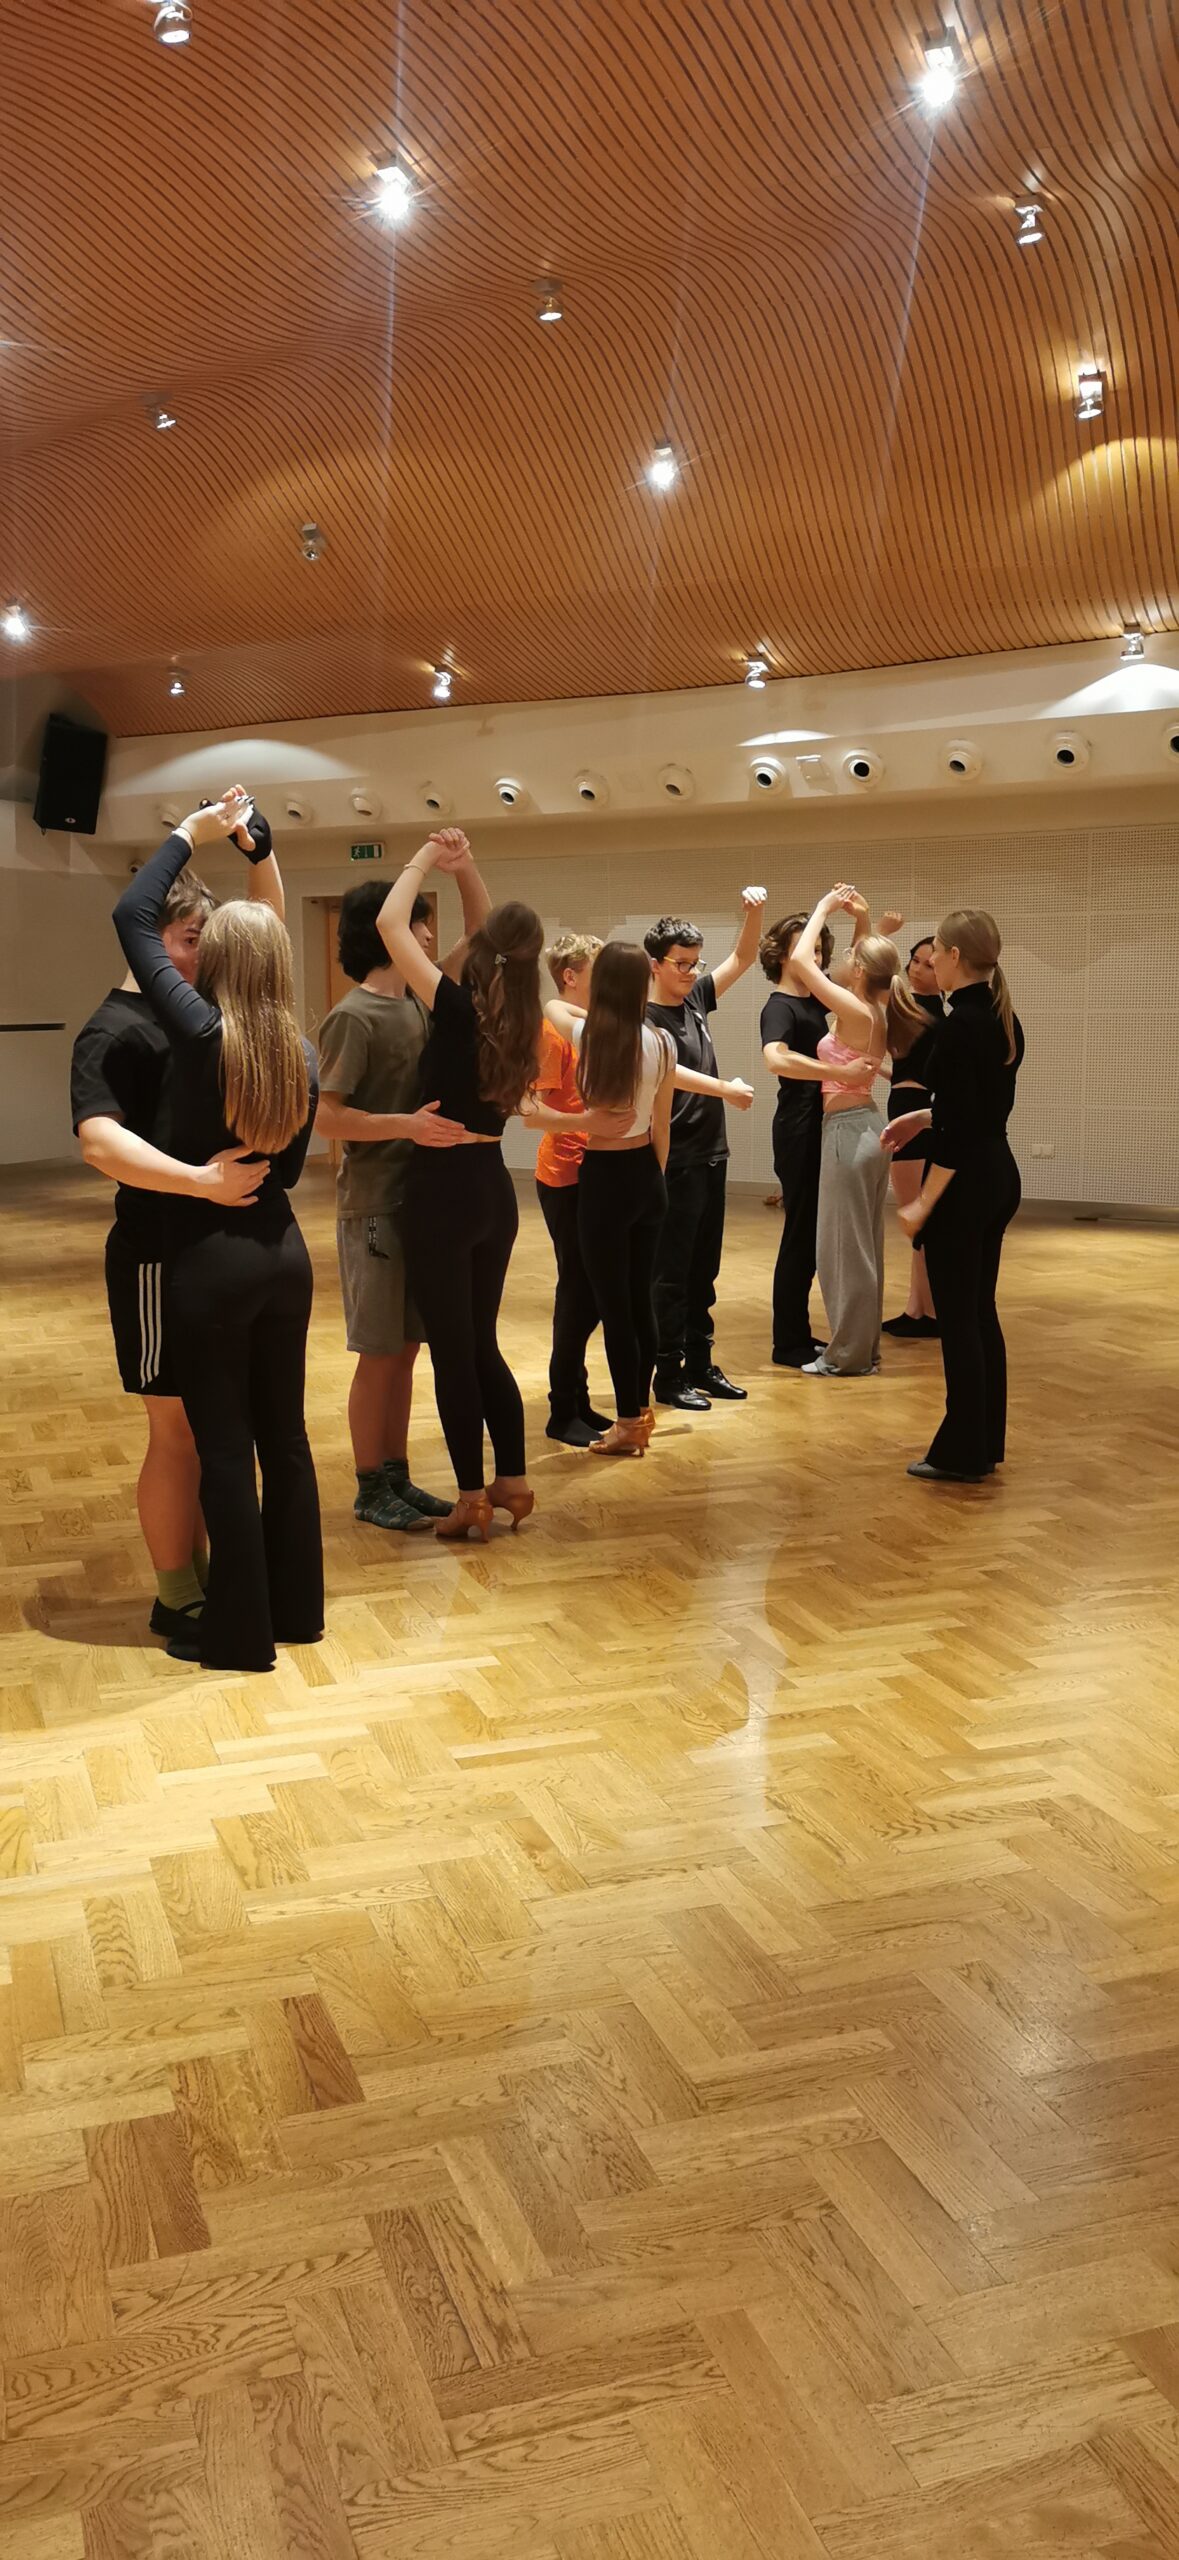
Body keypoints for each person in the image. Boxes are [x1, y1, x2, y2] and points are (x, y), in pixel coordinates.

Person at [113, 787, 322, 1671]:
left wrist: (189, 834)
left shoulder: (200, 1032)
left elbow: (131, 915)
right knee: (289, 1441)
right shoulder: (299, 1050)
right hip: (285, 1256)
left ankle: (239, 1634)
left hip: (211, 1262)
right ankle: (298, 1613)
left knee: (228, 1450)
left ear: (220, 964)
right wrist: (258, 849)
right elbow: (294, 1171)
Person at [71, 840, 285, 1646]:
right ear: (153, 939)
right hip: (154, 1257)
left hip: (213, 1258)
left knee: (211, 1425)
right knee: (177, 1431)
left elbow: (267, 925)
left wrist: (260, 849)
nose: (205, 955)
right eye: (193, 940)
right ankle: (175, 1594)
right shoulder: (112, 1031)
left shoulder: (197, 1019)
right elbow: (99, 1142)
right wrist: (199, 1181)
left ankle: (202, 1582)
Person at [377, 830, 541, 1542]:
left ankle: (471, 1496)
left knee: (453, 1351)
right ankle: (514, 1482)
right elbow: (484, 934)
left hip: (442, 1191)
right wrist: (467, 868)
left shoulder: (453, 1007)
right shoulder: (524, 1019)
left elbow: (390, 924)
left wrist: (423, 859)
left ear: (483, 954)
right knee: (483, 1345)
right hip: (493, 1190)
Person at [316, 874, 487, 1530]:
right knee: (380, 1352)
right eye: (418, 921)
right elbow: (326, 1118)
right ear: (384, 931)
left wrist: (462, 867)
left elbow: (479, 934)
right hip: (373, 1206)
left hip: (420, 1204)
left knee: (409, 1347)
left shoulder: (421, 1000)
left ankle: (396, 1474)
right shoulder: (351, 1016)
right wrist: (406, 1126)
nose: (428, 933)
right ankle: (369, 1485)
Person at [882, 910, 1023, 1482]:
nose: (932, 960)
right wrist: (920, 1116)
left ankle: (961, 1453)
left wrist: (923, 1202)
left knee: (960, 1320)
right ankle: (982, 1443)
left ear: (957, 956)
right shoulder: (999, 1016)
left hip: (966, 1183)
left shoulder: (960, 1025)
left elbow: (961, 1132)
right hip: (998, 1174)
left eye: (936, 951)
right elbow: (979, 1106)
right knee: (978, 1313)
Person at [547, 942, 676, 1457]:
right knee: (641, 1302)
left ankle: (626, 1423)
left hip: (604, 1178)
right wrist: (654, 1178)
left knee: (614, 1308)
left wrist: (601, 1008)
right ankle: (640, 1412)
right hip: (648, 1173)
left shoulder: (592, 1035)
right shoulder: (662, 1040)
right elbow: (662, 1124)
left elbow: (552, 1006)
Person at [790, 886, 922, 1377]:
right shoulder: (872, 1010)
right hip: (864, 1127)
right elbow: (854, 967)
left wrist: (822, 909)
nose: (842, 959)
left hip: (849, 1132)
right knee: (861, 1249)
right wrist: (864, 923)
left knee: (843, 1252)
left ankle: (846, 1357)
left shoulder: (856, 1011)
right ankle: (862, 1350)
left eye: (849, 956)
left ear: (862, 971)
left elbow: (800, 961)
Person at [645, 890, 767, 1410]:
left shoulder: (694, 997)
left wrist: (754, 914)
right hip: (675, 1159)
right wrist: (725, 1089)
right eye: (682, 964)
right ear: (655, 964)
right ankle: (667, 1373)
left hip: (711, 1154)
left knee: (703, 1271)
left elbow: (743, 957)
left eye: (696, 963)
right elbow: (668, 1070)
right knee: (671, 1274)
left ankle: (700, 1363)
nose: (691, 972)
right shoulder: (643, 1018)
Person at [532, 934, 612, 1448]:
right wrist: (587, 1122)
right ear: (571, 976)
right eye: (597, 970)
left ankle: (577, 1399)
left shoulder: (589, 1028)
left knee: (592, 1291)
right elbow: (532, 1111)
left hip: (595, 1172)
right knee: (578, 1292)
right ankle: (562, 1409)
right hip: (564, 1176)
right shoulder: (550, 1034)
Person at [881, 934, 944, 1340]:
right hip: (912, 1109)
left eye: (928, 964)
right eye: (914, 961)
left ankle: (928, 1310)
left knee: (916, 1219)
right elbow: (911, 1072)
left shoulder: (918, 1011)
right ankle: (918, 1308)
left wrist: (877, 930)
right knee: (918, 1221)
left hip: (912, 1115)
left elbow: (876, 982)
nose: (916, 969)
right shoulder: (932, 1013)